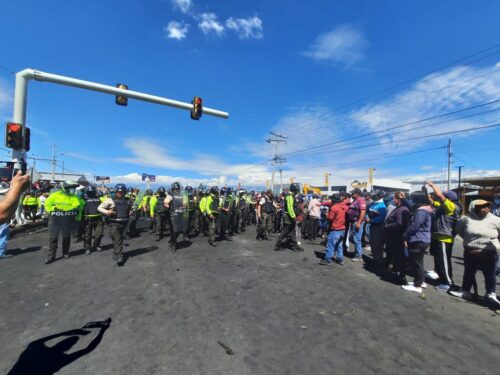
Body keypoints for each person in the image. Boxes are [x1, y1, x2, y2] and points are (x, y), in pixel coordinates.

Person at [450, 200, 500, 307]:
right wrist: (470, 240)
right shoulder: (465, 218)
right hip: (471, 251)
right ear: (474, 207)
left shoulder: (496, 220)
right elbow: (459, 230)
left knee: (490, 274)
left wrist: (495, 246)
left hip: (489, 253)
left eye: (487, 207)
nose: (485, 209)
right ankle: (465, 291)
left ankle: (490, 293)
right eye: (481, 207)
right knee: (469, 272)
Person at [426, 181, 462, 292]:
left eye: (445, 197)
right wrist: (425, 191)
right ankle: (440, 277)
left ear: (449, 199)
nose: (440, 199)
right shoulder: (443, 206)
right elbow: (432, 202)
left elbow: (440, 196)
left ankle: (448, 282)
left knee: (444, 261)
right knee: (438, 260)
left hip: (444, 238)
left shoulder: (451, 206)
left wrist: (432, 185)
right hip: (438, 237)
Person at [401, 191, 433, 293]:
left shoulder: (421, 212)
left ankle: (417, 285)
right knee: (418, 262)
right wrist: (404, 199)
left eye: (413, 199)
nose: (412, 201)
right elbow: (411, 206)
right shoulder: (425, 209)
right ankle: (420, 281)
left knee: (416, 263)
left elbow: (415, 226)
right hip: (423, 239)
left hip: (418, 239)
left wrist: (405, 236)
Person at [45, 181, 83, 264]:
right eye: (70, 187)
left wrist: (67, 210)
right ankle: (51, 256)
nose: (71, 189)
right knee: (53, 238)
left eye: (72, 188)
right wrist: (53, 209)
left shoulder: (74, 197)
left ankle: (65, 253)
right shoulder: (55, 195)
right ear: (65, 188)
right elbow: (47, 204)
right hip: (55, 220)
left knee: (66, 238)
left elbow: (76, 205)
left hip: (67, 220)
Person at [98, 183, 132, 266]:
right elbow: (99, 208)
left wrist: (132, 211)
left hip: (125, 223)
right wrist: (107, 212)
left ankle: (115, 252)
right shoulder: (110, 200)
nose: (121, 193)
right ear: (116, 192)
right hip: (114, 223)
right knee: (118, 240)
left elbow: (131, 209)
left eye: (123, 192)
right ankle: (120, 256)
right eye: (119, 192)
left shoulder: (129, 200)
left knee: (119, 240)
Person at [384, 191, 410, 282]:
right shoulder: (399, 208)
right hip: (394, 236)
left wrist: (387, 226)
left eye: (394, 198)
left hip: (397, 236)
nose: (393, 200)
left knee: (399, 256)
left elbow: (399, 223)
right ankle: (395, 270)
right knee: (396, 255)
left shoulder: (402, 209)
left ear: (398, 199)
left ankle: (400, 274)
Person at [319, 193, 349, 265]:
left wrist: (326, 214)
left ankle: (328, 259)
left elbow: (330, 218)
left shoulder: (334, 207)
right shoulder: (343, 206)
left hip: (335, 229)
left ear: (333, 200)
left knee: (330, 245)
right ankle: (340, 259)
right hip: (342, 228)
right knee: (339, 245)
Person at [275, 183, 303, 252]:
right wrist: (293, 216)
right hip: (288, 216)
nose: (297, 191)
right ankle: (278, 244)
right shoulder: (290, 196)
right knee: (286, 230)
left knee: (291, 231)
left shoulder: (290, 195)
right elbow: (290, 207)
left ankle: (295, 245)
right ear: (295, 189)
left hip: (288, 215)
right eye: (297, 190)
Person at [367, 190, 387, 266]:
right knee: (372, 243)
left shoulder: (382, 206)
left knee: (378, 244)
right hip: (372, 225)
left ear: (379, 196)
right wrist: (367, 217)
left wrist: (370, 220)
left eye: (375, 195)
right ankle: (375, 258)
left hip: (378, 226)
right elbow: (367, 211)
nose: (373, 196)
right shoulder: (373, 203)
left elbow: (381, 218)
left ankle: (378, 260)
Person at [82, 186, 104, 255]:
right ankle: (88, 248)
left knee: (99, 234)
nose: (91, 193)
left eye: (93, 192)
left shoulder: (100, 199)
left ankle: (97, 245)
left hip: (98, 219)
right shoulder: (83, 200)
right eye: (90, 192)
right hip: (88, 220)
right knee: (87, 235)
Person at [347, 188, 367, 262]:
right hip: (353, 222)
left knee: (357, 239)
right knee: (352, 238)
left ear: (357, 194)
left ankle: (359, 256)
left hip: (357, 222)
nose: (351, 194)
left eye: (353, 193)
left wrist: (359, 222)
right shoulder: (355, 201)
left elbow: (363, 211)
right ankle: (357, 252)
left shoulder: (361, 200)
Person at [168, 182, 187, 252]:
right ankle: (173, 244)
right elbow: (166, 202)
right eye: (175, 189)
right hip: (173, 215)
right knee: (174, 231)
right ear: (173, 189)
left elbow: (185, 205)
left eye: (177, 189)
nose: (176, 190)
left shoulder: (182, 196)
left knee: (178, 230)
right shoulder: (170, 195)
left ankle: (172, 240)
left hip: (180, 214)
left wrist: (183, 207)